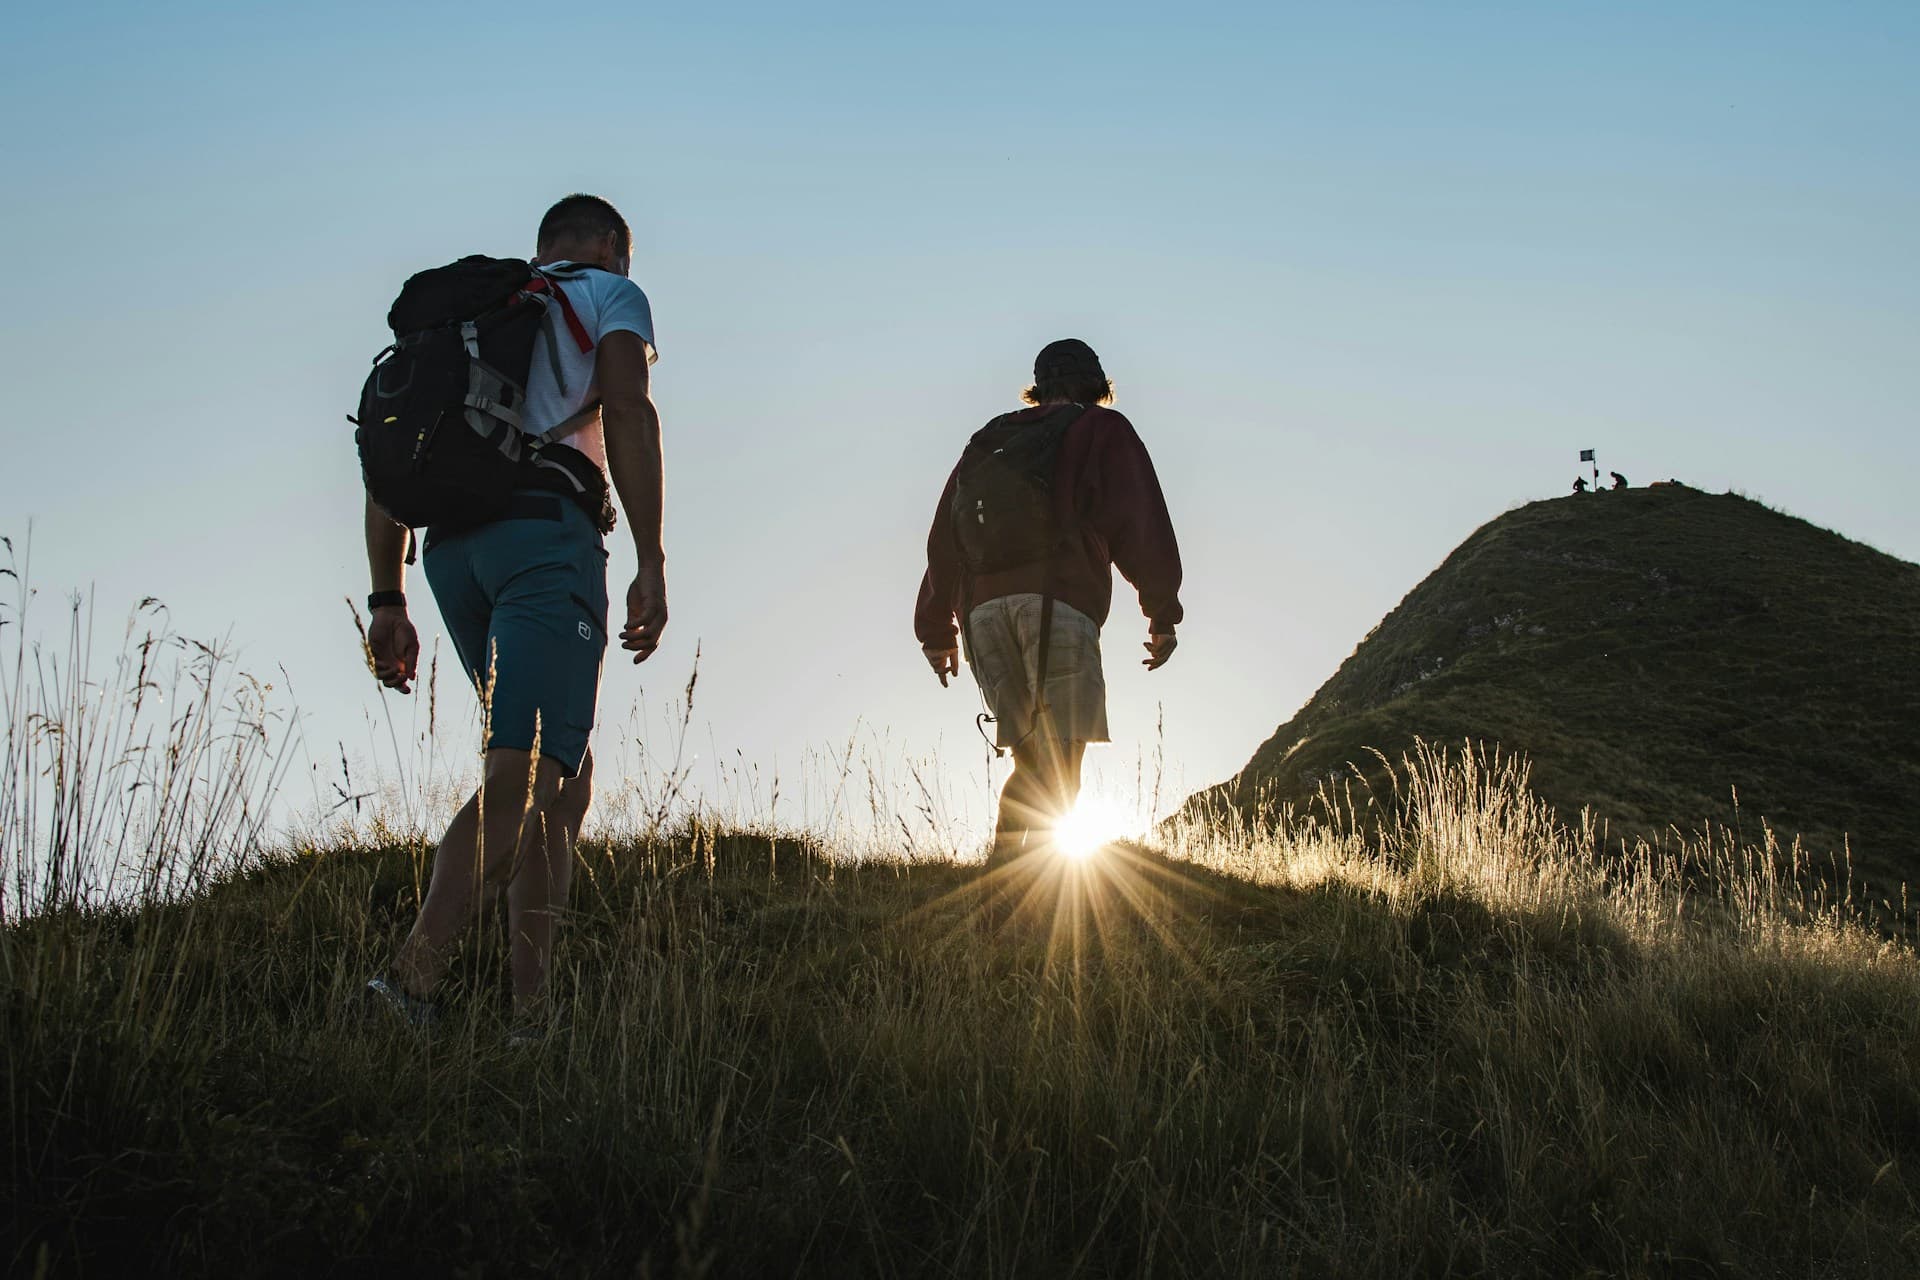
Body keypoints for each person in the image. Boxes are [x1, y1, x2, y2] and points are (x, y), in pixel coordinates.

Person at [361, 194, 667, 1030]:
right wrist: (651, 560)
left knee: (560, 781)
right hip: (543, 537)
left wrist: (387, 597)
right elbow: (631, 410)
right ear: (611, 246)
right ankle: (407, 988)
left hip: (453, 556)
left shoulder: (468, 318)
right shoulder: (608, 293)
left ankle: (532, 1015)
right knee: (524, 773)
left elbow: (393, 451)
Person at [915, 339, 1183, 870]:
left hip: (982, 614)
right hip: (1057, 600)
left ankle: (1006, 875)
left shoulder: (990, 439)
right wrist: (1162, 613)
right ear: (1097, 384)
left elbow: (945, 532)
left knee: (1031, 755)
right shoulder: (1103, 429)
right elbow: (1141, 519)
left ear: (1038, 387)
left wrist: (937, 630)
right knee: (1062, 755)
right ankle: (1022, 880)